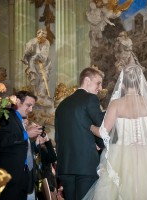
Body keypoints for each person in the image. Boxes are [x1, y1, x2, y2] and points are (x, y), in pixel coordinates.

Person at [85, 64, 147, 199]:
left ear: (122, 84)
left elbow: (103, 133)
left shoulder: (116, 104)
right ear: (140, 83)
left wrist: (90, 126)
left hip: (121, 155)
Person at [55, 67, 105, 200]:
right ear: (87, 80)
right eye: (98, 83)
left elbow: (59, 136)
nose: (100, 88)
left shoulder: (62, 105)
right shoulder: (90, 99)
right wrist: (114, 112)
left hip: (65, 166)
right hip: (85, 165)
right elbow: (102, 125)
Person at [0, 91, 43, 200]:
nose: (31, 110)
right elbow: (2, 141)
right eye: (28, 105)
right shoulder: (5, 115)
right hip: (10, 176)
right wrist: (26, 134)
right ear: (17, 101)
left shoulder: (19, 119)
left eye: (32, 106)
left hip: (22, 176)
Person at [21, 29, 52, 98]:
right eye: (40, 37)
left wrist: (38, 56)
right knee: (33, 76)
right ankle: (34, 93)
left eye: (44, 36)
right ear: (37, 35)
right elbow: (26, 53)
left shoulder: (47, 42)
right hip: (32, 63)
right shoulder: (32, 42)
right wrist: (31, 46)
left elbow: (44, 54)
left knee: (44, 78)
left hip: (44, 63)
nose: (42, 39)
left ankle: (41, 93)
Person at [34, 134, 57, 199]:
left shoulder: (43, 150)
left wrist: (48, 141)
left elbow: (53, 158)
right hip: (41, 185)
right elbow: (53, 158)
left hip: (47, 185)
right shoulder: (38, 150)